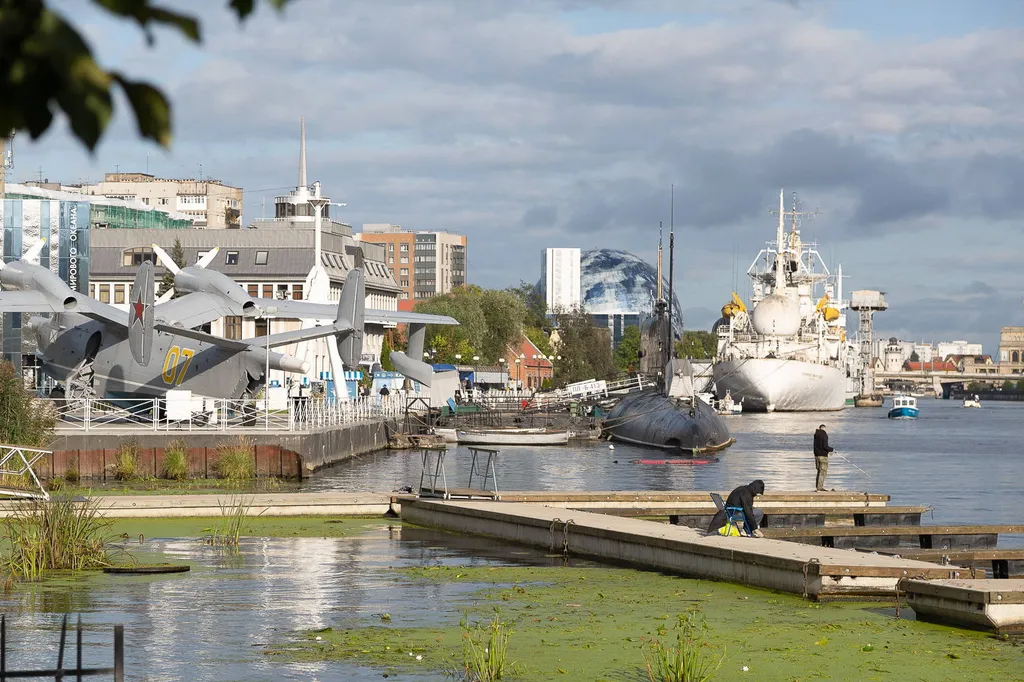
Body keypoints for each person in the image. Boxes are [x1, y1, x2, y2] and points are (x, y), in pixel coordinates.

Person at [813, 424, 834, 491]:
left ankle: (818, 486)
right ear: (824, 428)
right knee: (823, 472)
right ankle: (820, 487)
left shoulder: (816, 435)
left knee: (819, 471)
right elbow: (825, 446)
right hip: (823, 456)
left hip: (816, 456)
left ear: (819, 428)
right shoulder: (824, 435)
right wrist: (831, 449)